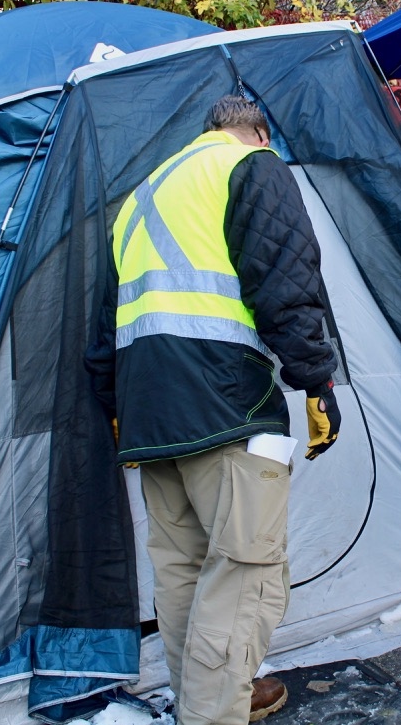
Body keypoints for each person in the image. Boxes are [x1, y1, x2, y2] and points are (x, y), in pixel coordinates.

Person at [85, 95, 341, 724]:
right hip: (228, 405)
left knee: (184, 575)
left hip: (149, 416)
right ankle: (211, 714)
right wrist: (316, 384)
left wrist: (116, 405)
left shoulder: (141, 198)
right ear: (257, 132)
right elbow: (286, 281)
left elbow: (102, 329)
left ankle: (207, 701)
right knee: (245, 577)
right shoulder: (252, 167)